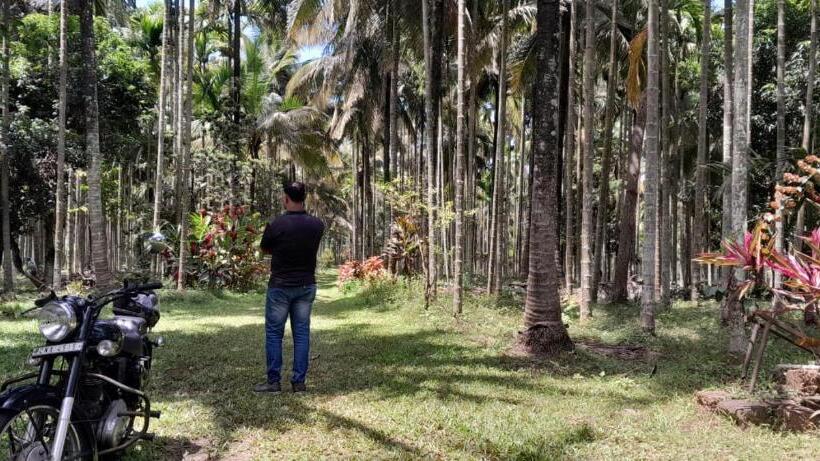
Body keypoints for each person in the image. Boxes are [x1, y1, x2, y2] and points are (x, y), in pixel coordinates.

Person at [255, 182, 325, 393]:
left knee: (274, 334)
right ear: (304, 198)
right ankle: (299, 383)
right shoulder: (317, 225)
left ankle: (274, 382)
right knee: (302, 334)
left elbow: (265, 248)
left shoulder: (277, 224)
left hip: (280, 286)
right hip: (306, 285)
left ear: (286, 198)